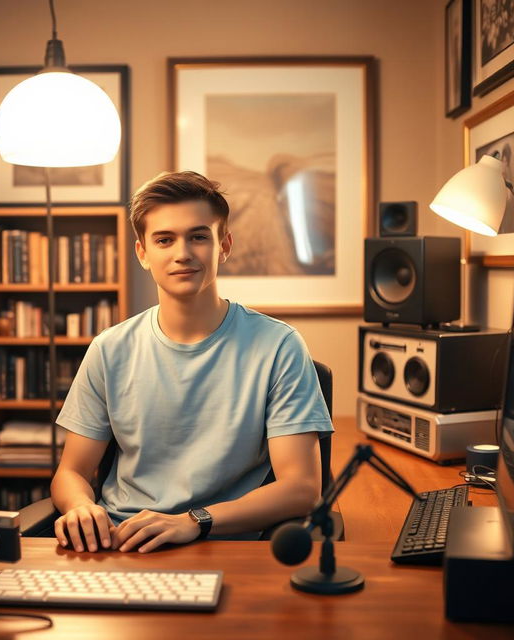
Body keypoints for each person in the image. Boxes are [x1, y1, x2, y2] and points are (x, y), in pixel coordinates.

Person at [51, 170, 333, 554]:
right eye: (164, 240)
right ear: (143, 254)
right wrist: (81, 507)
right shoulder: (109, 349)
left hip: (226, 546)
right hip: (120, 543)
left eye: (198, 236)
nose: (182, 253)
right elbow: (71, 472)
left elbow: (301, 489)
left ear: (224, 246)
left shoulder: (279, 346)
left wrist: (193, 521)